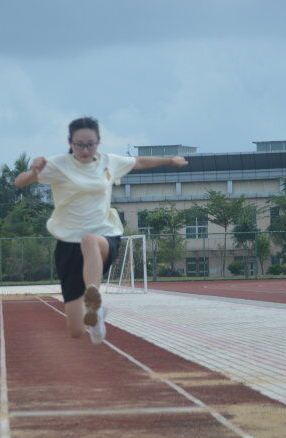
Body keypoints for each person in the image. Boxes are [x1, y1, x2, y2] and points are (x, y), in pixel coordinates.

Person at [15, 116, 188, 343]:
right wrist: (34, 171)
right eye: (79, 145)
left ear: (98, 141)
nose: (85, 150)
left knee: (89, 240)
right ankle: (97, 318)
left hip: (104, 236)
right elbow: (20, 182)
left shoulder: (108, 162)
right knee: (76, 331)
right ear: (70, 142)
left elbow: (139, 162)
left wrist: (170, 161)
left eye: (91, 144)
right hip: (68, 245)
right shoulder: (58, 165)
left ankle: (94, 303)